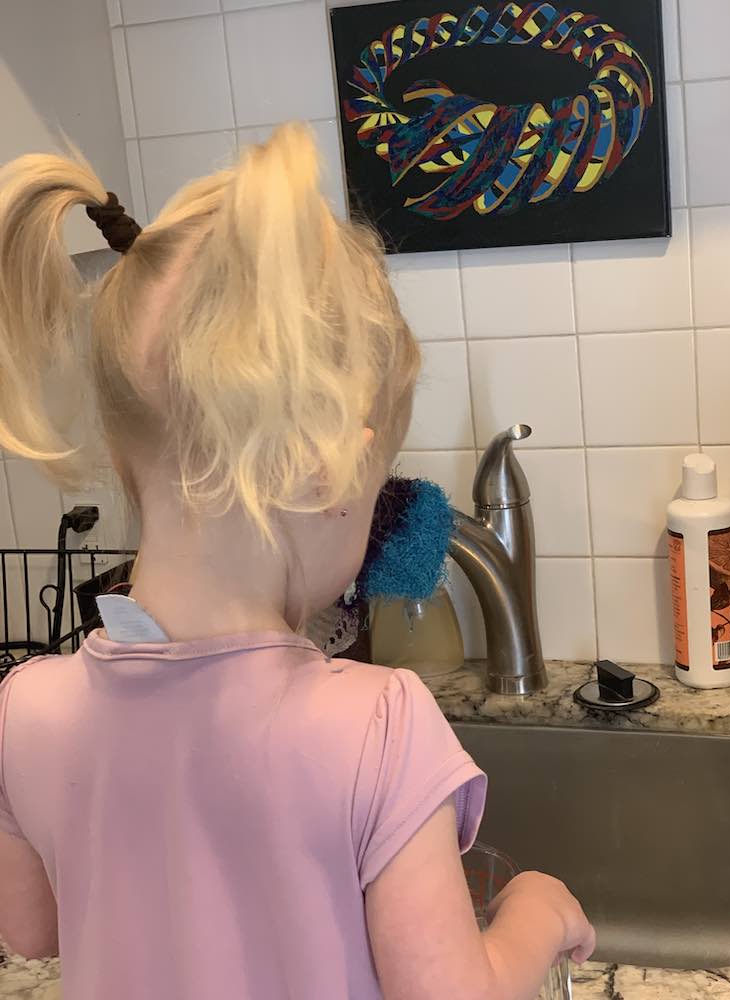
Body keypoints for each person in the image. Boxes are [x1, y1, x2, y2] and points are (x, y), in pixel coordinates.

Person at [0, 125, 595, 1000]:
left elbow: (32, 928)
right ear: (334, 469)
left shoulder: (27, 711)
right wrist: (540, 914)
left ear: (126, 456)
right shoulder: (379, 726)